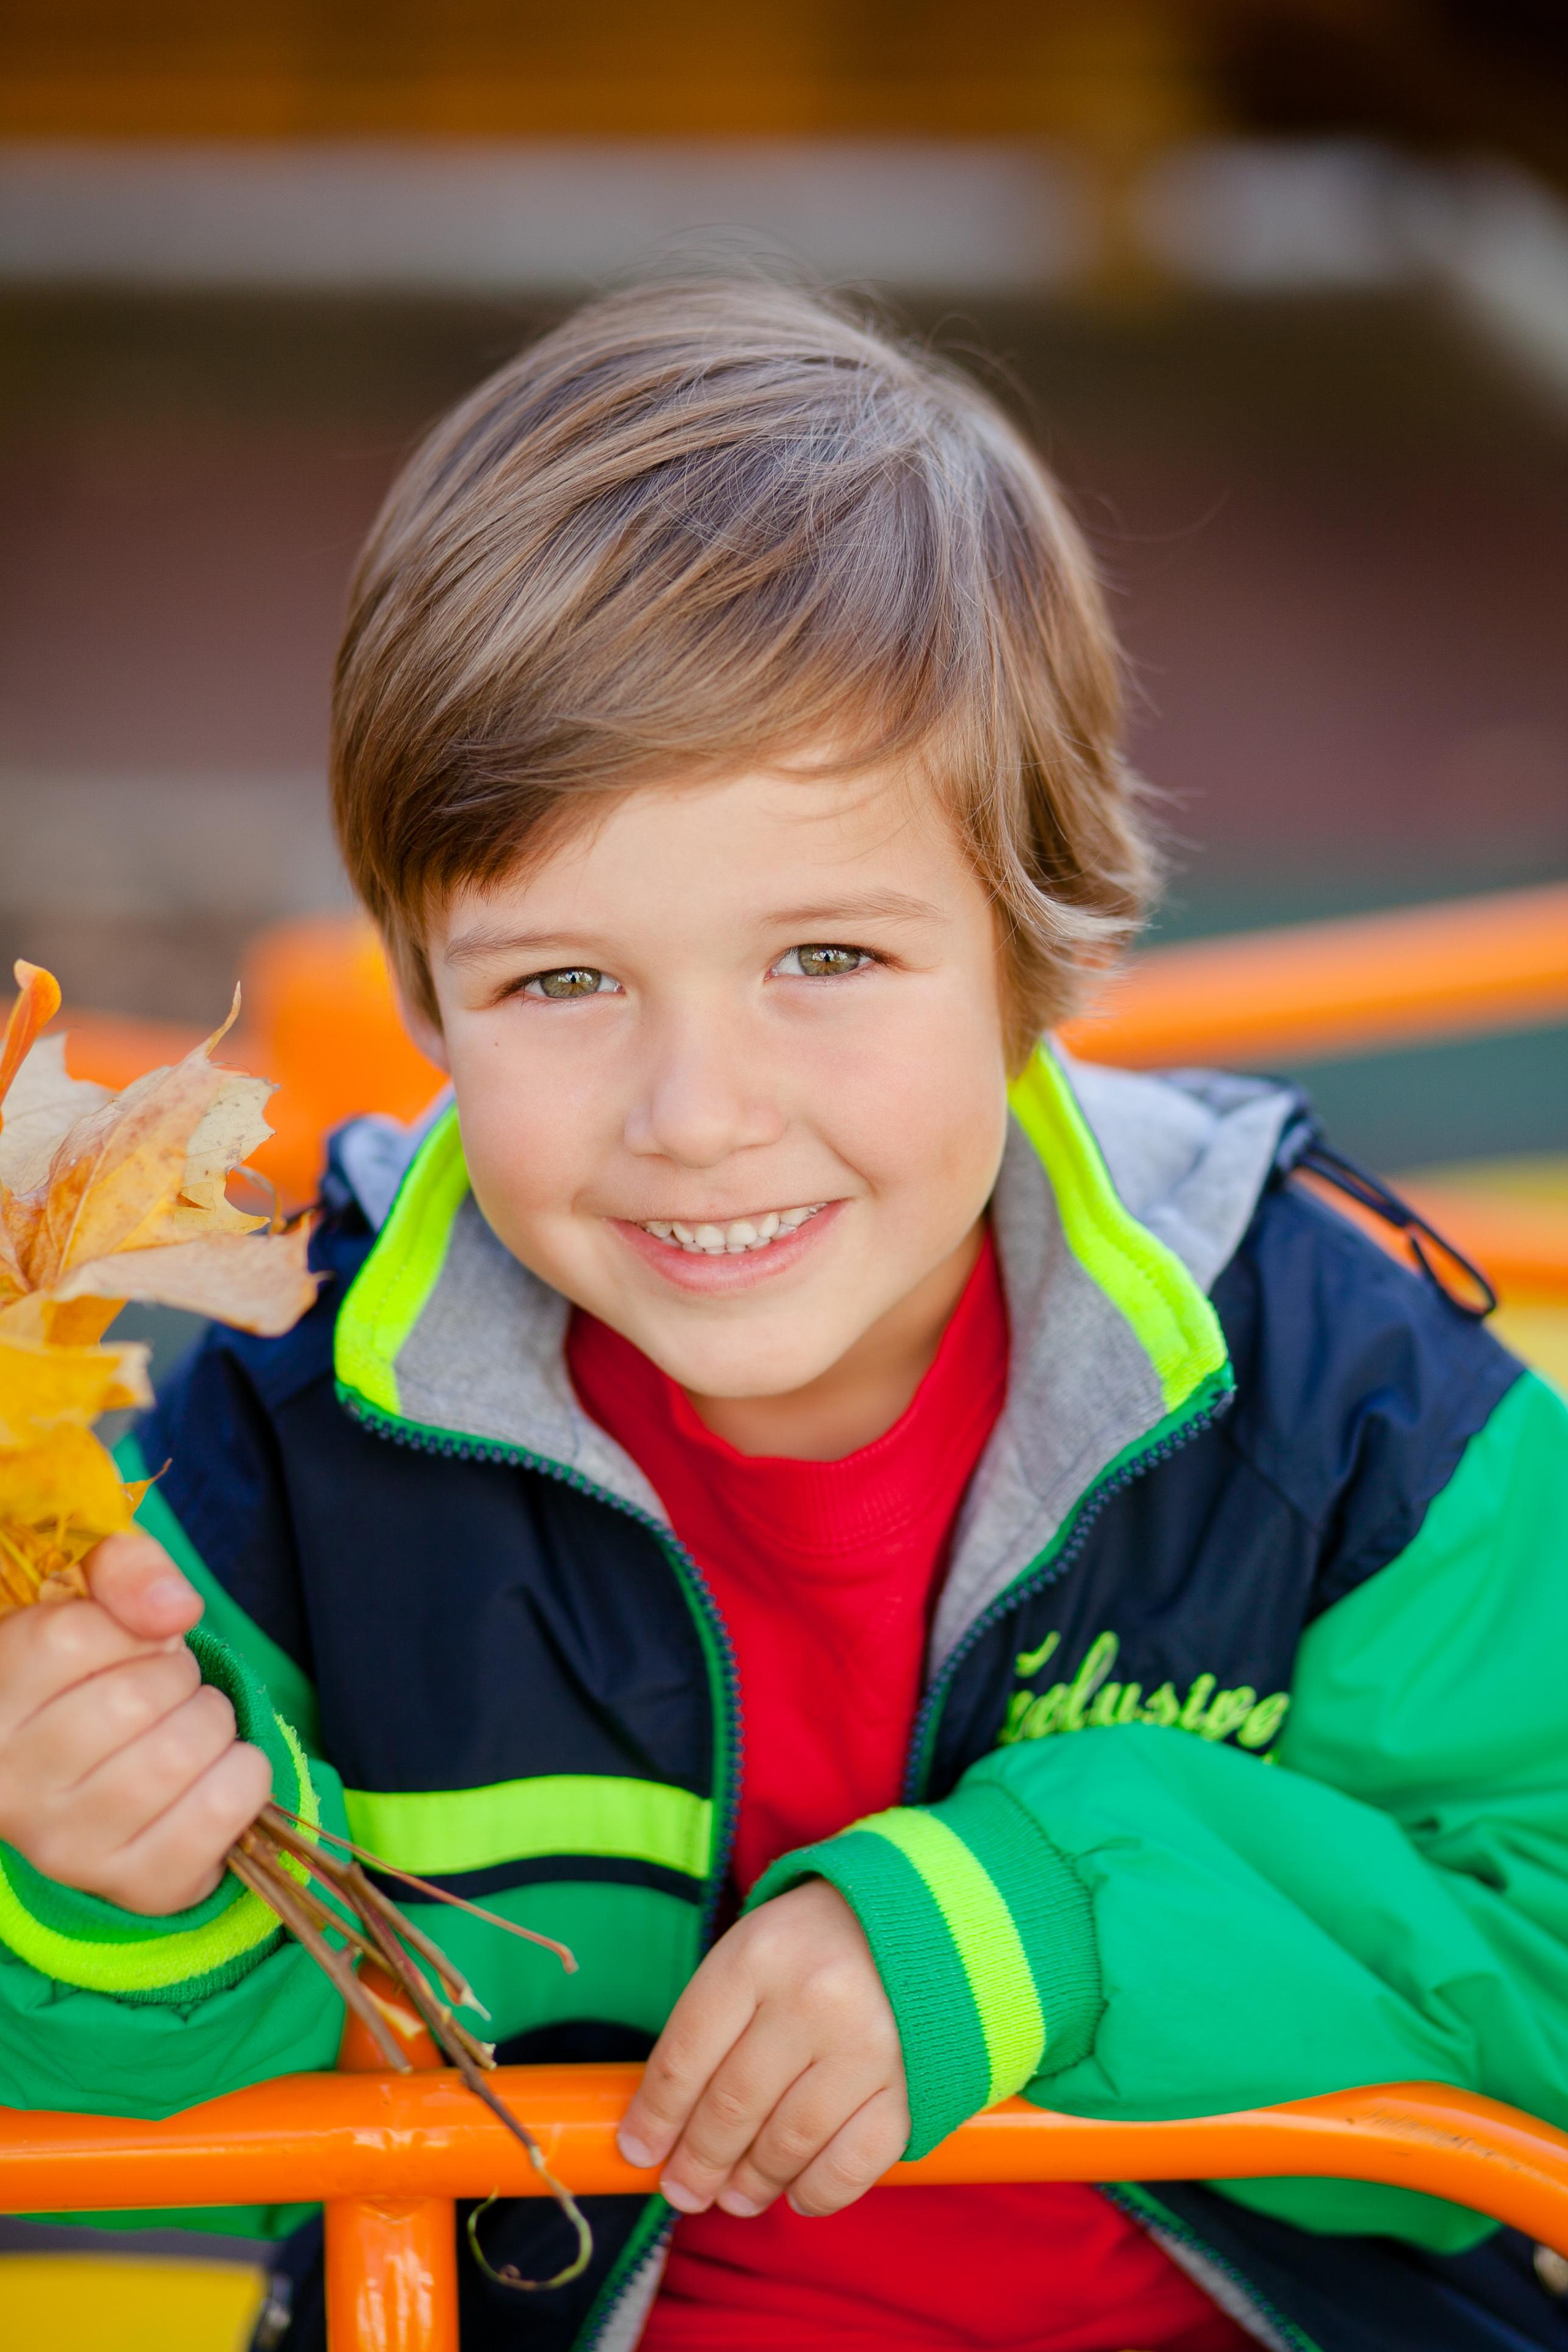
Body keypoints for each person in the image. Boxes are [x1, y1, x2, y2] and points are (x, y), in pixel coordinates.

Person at [1, 281, 1565, 2352]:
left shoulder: (1338, 1394)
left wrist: (1036, 1932)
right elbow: (131, 2090)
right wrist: (102, 1889)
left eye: (824, 956)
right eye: (562, 982)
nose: (698, 1117)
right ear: (425, 997)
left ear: (1031, 950)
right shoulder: (295, 1448)